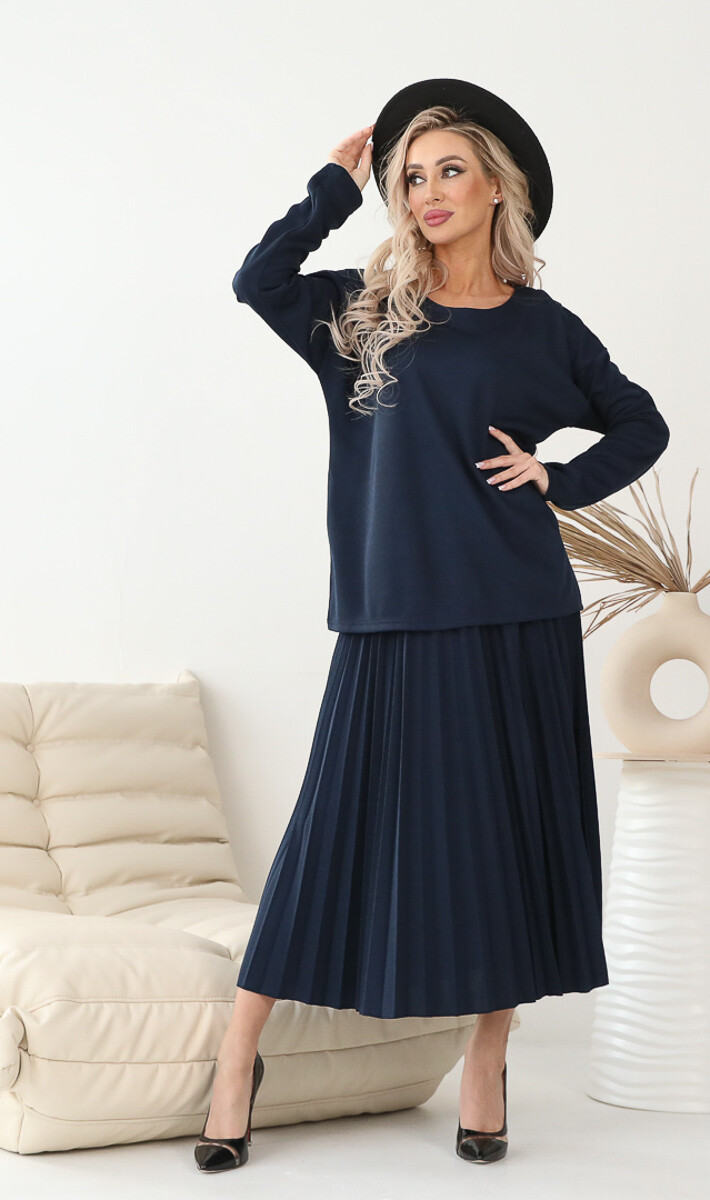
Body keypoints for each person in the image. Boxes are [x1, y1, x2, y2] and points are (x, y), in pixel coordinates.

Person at [194, 77, 670, 1172]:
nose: (428, 191)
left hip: (517, 610)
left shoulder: (545, 329)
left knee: (507, 842)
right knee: (330, 839)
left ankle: (487, 1058)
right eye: (411, 177)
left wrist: (558, 479)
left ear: (498, 186)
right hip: (393, 614)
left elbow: (640, 423)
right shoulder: (362, 313)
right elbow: (256, 281)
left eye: (450, 169)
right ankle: (237, 1058)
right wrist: (333, 187)